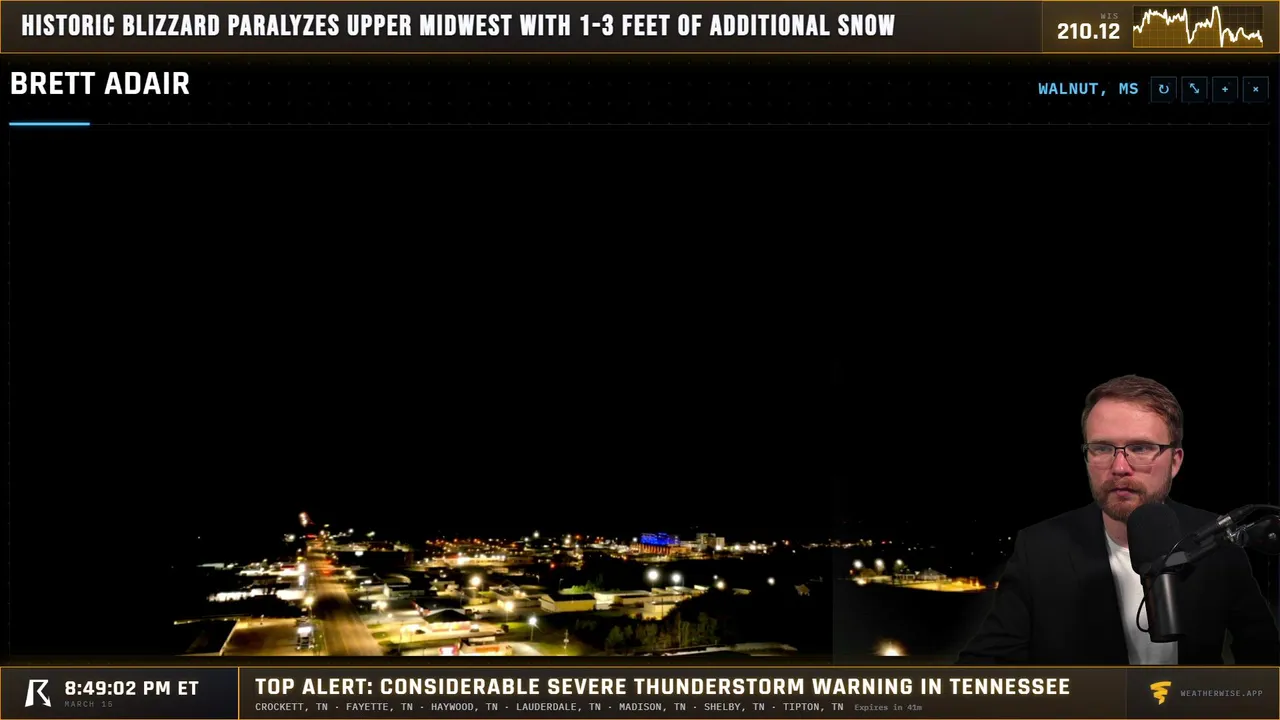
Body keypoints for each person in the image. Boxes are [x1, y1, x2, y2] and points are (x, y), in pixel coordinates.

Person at [958, 375, 1278, 665]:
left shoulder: (1217, 540)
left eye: (1140, 448)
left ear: (1175, 461)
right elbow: (983, 668)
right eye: (1102, 448)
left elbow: (1264, 655)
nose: (1120, 468)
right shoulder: (1039, 548)